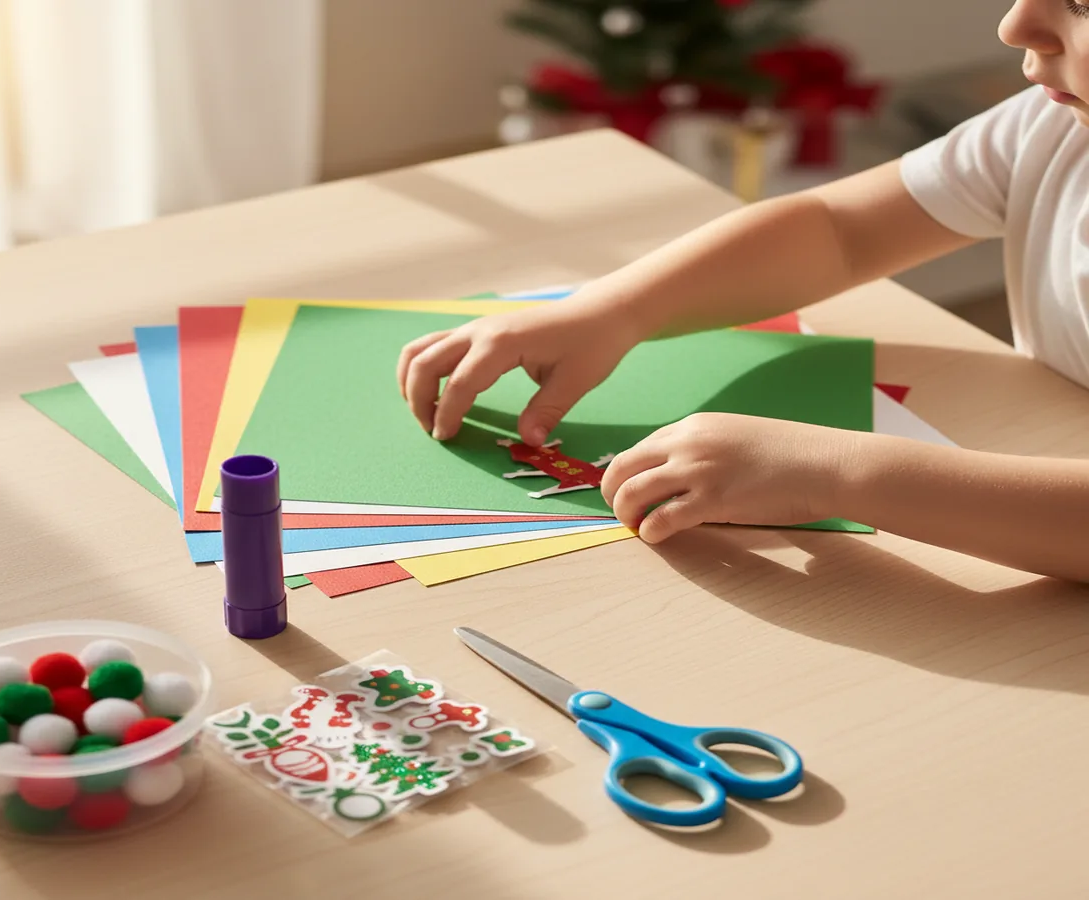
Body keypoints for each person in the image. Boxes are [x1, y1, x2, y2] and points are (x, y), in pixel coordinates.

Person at [397, 0, 1089, 584]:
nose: (1016, 22)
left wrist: (834, 472)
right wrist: (613, 309)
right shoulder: (1052, 124)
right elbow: (840, 231)